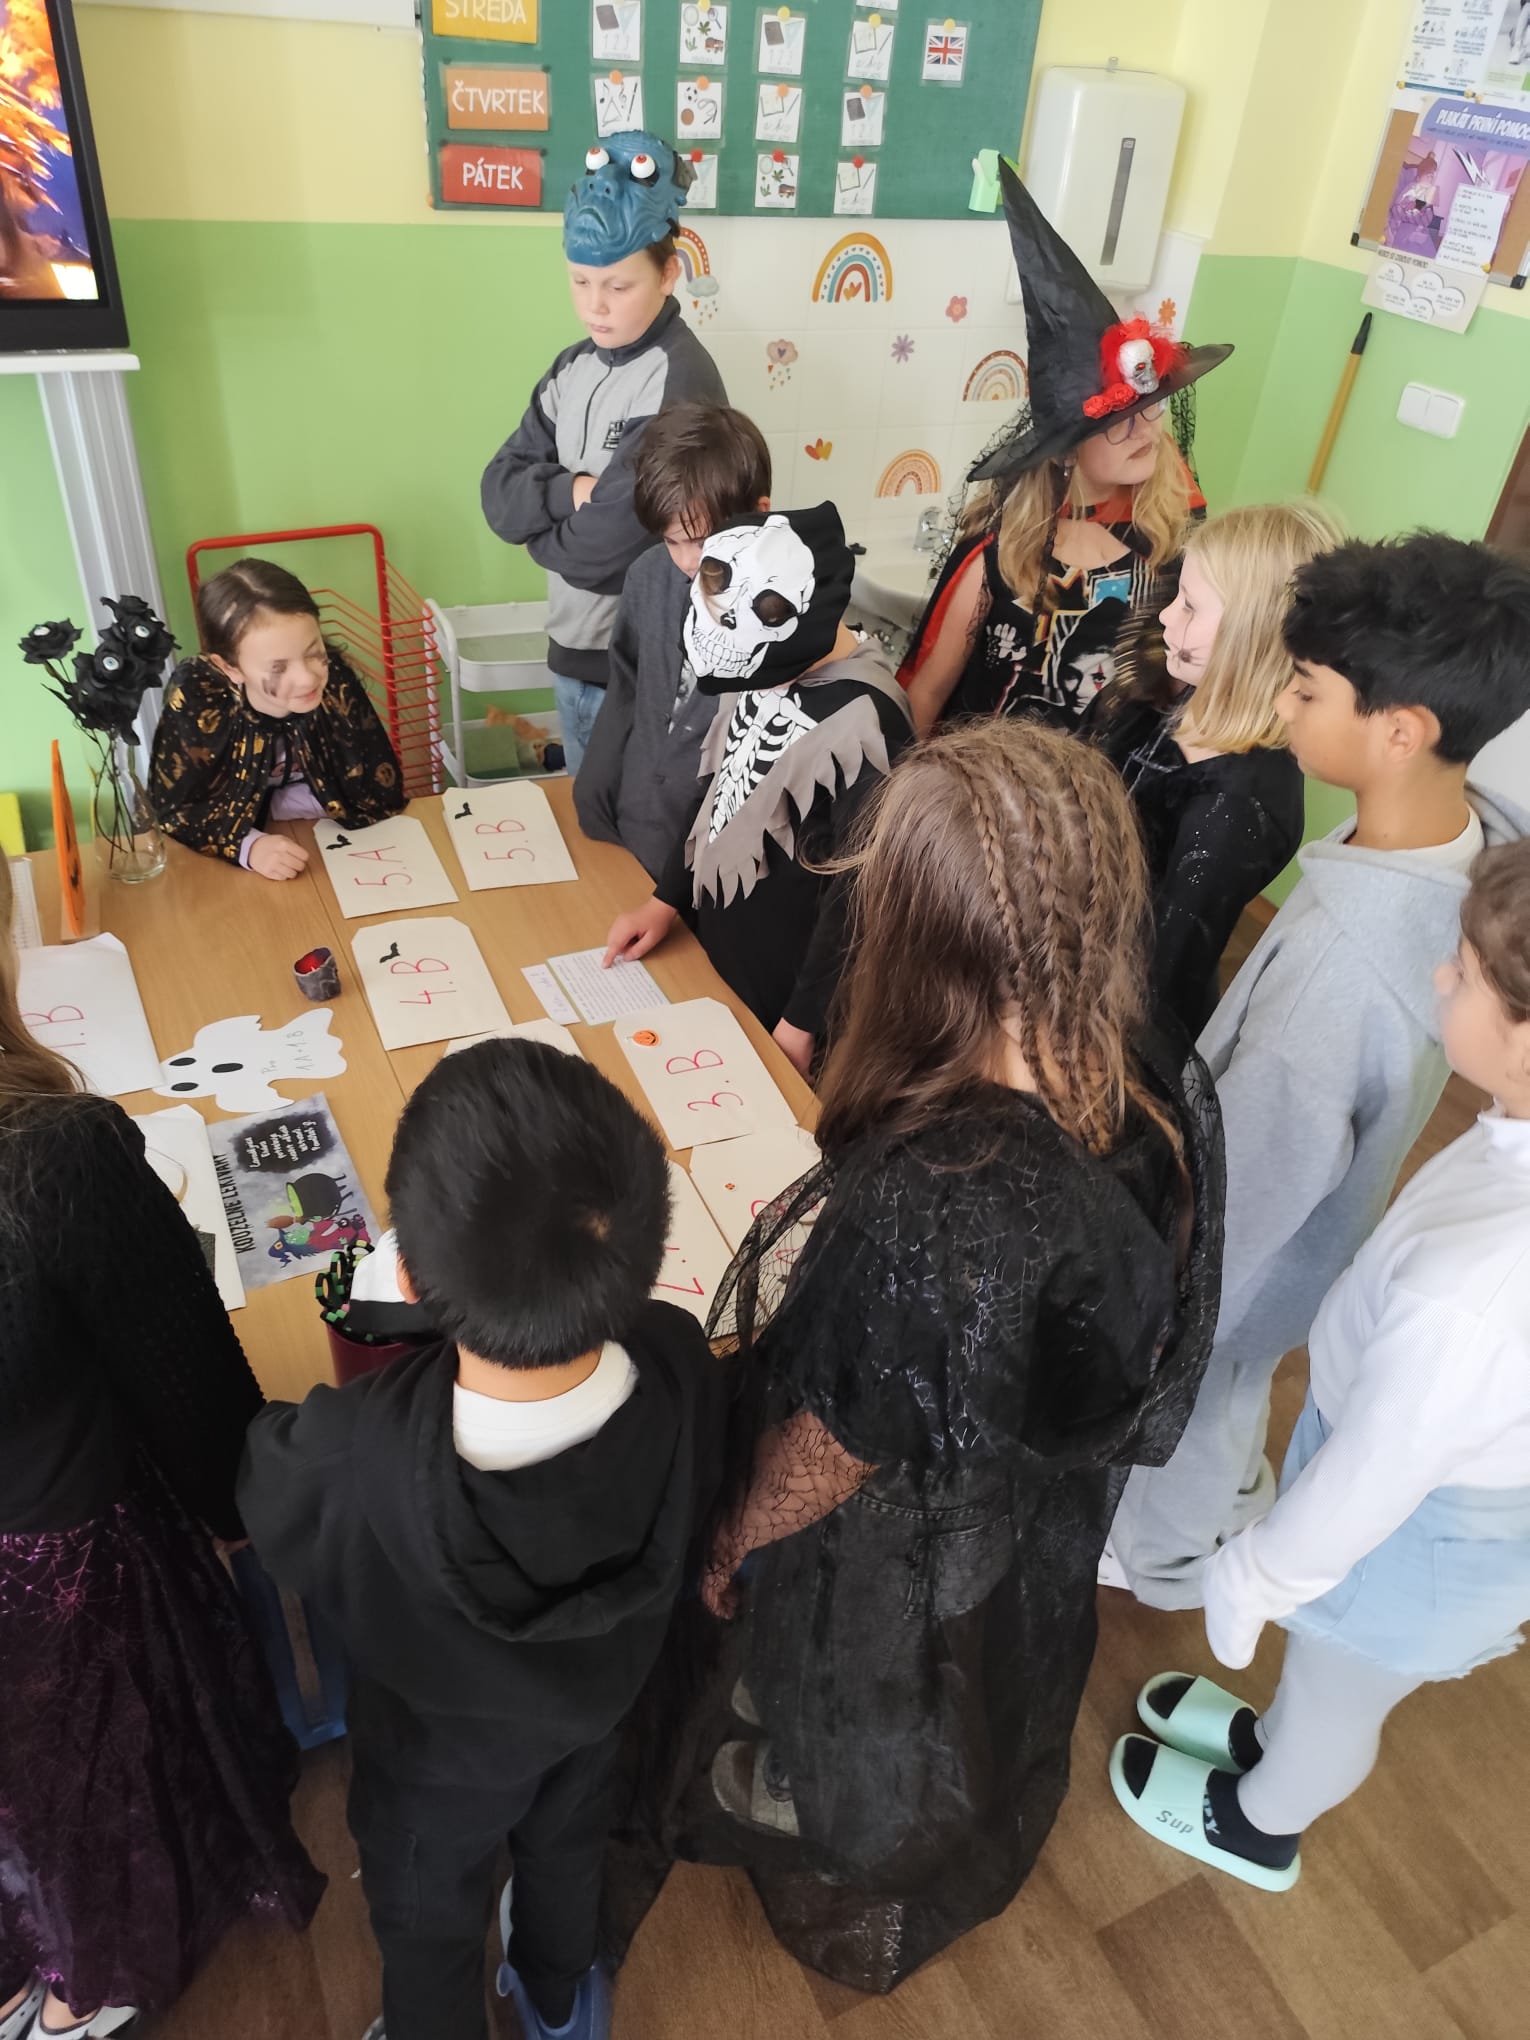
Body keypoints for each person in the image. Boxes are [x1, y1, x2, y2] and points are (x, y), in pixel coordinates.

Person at [605, 722, 1224, 1994]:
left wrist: (728, 1538)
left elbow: (840, 1439)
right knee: (953, 1659)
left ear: (924, 943)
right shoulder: (1146, 1075)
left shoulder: (944, 1200)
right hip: (1015, 1491)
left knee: (862, 1684)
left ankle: (847, 1820)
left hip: (909, 1520)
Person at [238, 1040, 720, 2040]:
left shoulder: (351, 1460)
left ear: (410, 1278)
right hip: (595, 1710)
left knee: (427, 1923)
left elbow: (264, 1484)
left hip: (434, 1770)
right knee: (567, 1847)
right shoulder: (678, 1359)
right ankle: (558, 1996)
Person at [1109, 533, 1530, 1608]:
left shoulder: (1335, 981)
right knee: (1230, 1392)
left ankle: (1167, 1565)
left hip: (1240, 1268)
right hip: (1304, 1244)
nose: (1285, 708)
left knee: (1196, 1412)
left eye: (1304, 689)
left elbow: (1241, 1207)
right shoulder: (1462, 846)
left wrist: (1160, 1316)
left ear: (1401, 731)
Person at [1113, 839, 1530, 1891]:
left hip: (1414, 1538)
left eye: (1465, 974)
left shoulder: (1471, 1298)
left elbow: (1371, 1481)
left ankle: (1262, 1821)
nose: (1439, 976)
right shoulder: (1510, 1143)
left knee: (1340, 1689)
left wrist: (1255, 1575)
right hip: (1422, 1487)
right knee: (1322, 1664)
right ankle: (1273, 1739)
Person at [0, 853, 323, 2040]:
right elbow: (192, 1392)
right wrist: (248, 1514)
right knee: (88, 1811)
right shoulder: (53, 1155)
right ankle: (78, 1986)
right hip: (65, 1582)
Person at [901, 164, 1230, 736]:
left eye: (1150, 409)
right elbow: (926, 694)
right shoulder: (1002, 560)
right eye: (1120, 423)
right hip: (979, 783)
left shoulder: (1170, 552)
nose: (1146, 431)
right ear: (1064, 450)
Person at [600, 505, 914, 1078]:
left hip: (788, 999)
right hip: (715, 953)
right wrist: (664, 901)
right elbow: (715, 793)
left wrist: (801, 1023)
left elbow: (859, 898)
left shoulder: (873, 721)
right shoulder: (759, 670)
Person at [481, 130, 726, 774]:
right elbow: (498, 490)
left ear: (668, 274)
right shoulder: (572, 368)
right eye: (580, 280)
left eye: (617, 286)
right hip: (571, 652)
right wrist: (570, 492)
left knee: (616, 823)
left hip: (637, 664)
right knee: (584, 809)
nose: (594, 305)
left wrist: (537, 535)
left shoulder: (679, 378)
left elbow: (607, 551)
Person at [1085, 501, 1344, 1035]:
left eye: (1189, 606)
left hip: (1113, 1018)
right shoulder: (1175, 693)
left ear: (1249, 635)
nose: (1165, 616)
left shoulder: (1236, 809)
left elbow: (1159, 979)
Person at [574, 402, 772, 879]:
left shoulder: (779, 612)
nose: (686, 561)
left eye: (701, 541)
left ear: (758, 512)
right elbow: (625, 688)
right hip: (635, 822)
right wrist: (595, 788)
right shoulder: (647, 576)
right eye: (671, 541)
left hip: (715, 862)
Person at [148, 556, 403, 879]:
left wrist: (276, 805)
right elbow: (176, 811)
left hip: (329, 845)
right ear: (229, 667)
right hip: (230, 871)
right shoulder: (198, 698)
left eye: (313, 651)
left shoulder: (335, 679)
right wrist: (247, 846)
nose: (308, 679)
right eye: (278, 668)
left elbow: (377, 785)